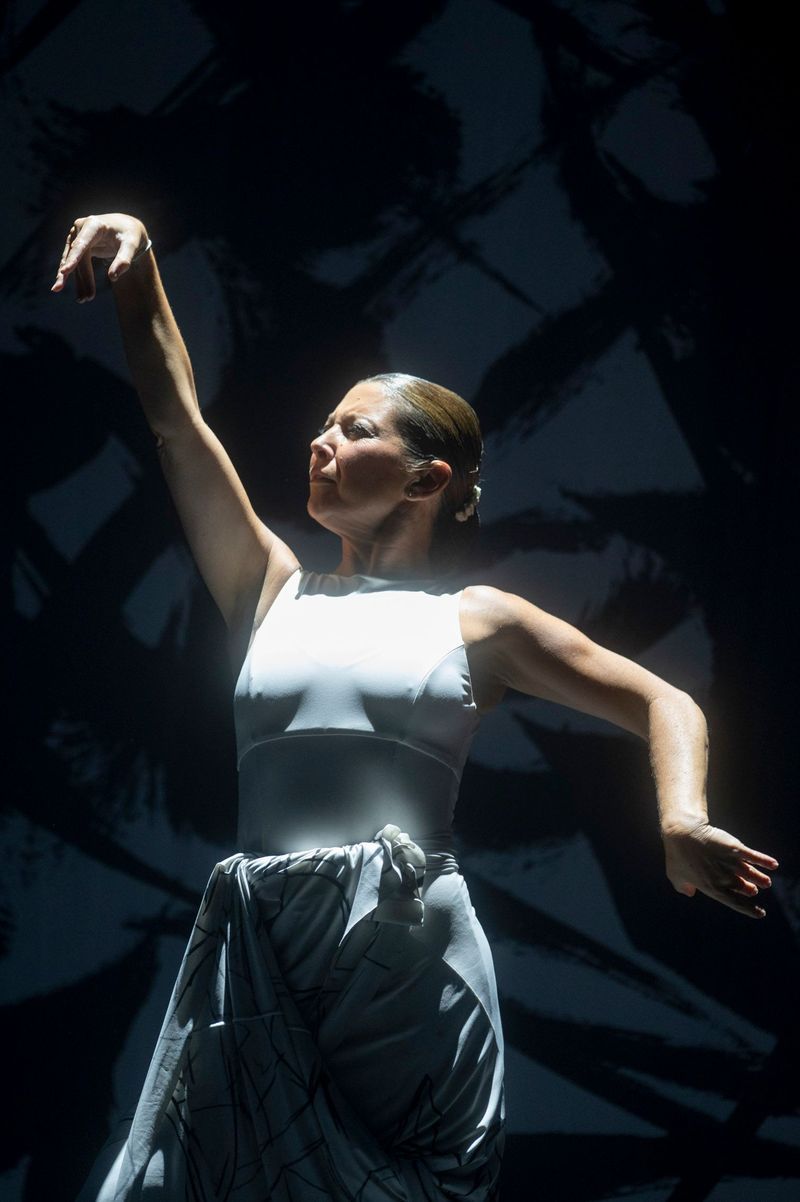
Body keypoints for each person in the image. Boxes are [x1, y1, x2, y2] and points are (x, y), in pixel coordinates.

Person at [53, 214, 778, 1202]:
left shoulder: (477, 619)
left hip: (400, 957)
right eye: (323, 425)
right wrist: (139, 269)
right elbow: (178, 423)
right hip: (258, 943)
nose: (320, 441)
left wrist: (680, 818)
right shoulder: (269, 587)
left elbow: (663, 697)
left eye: (354, 429)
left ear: (428, 477)